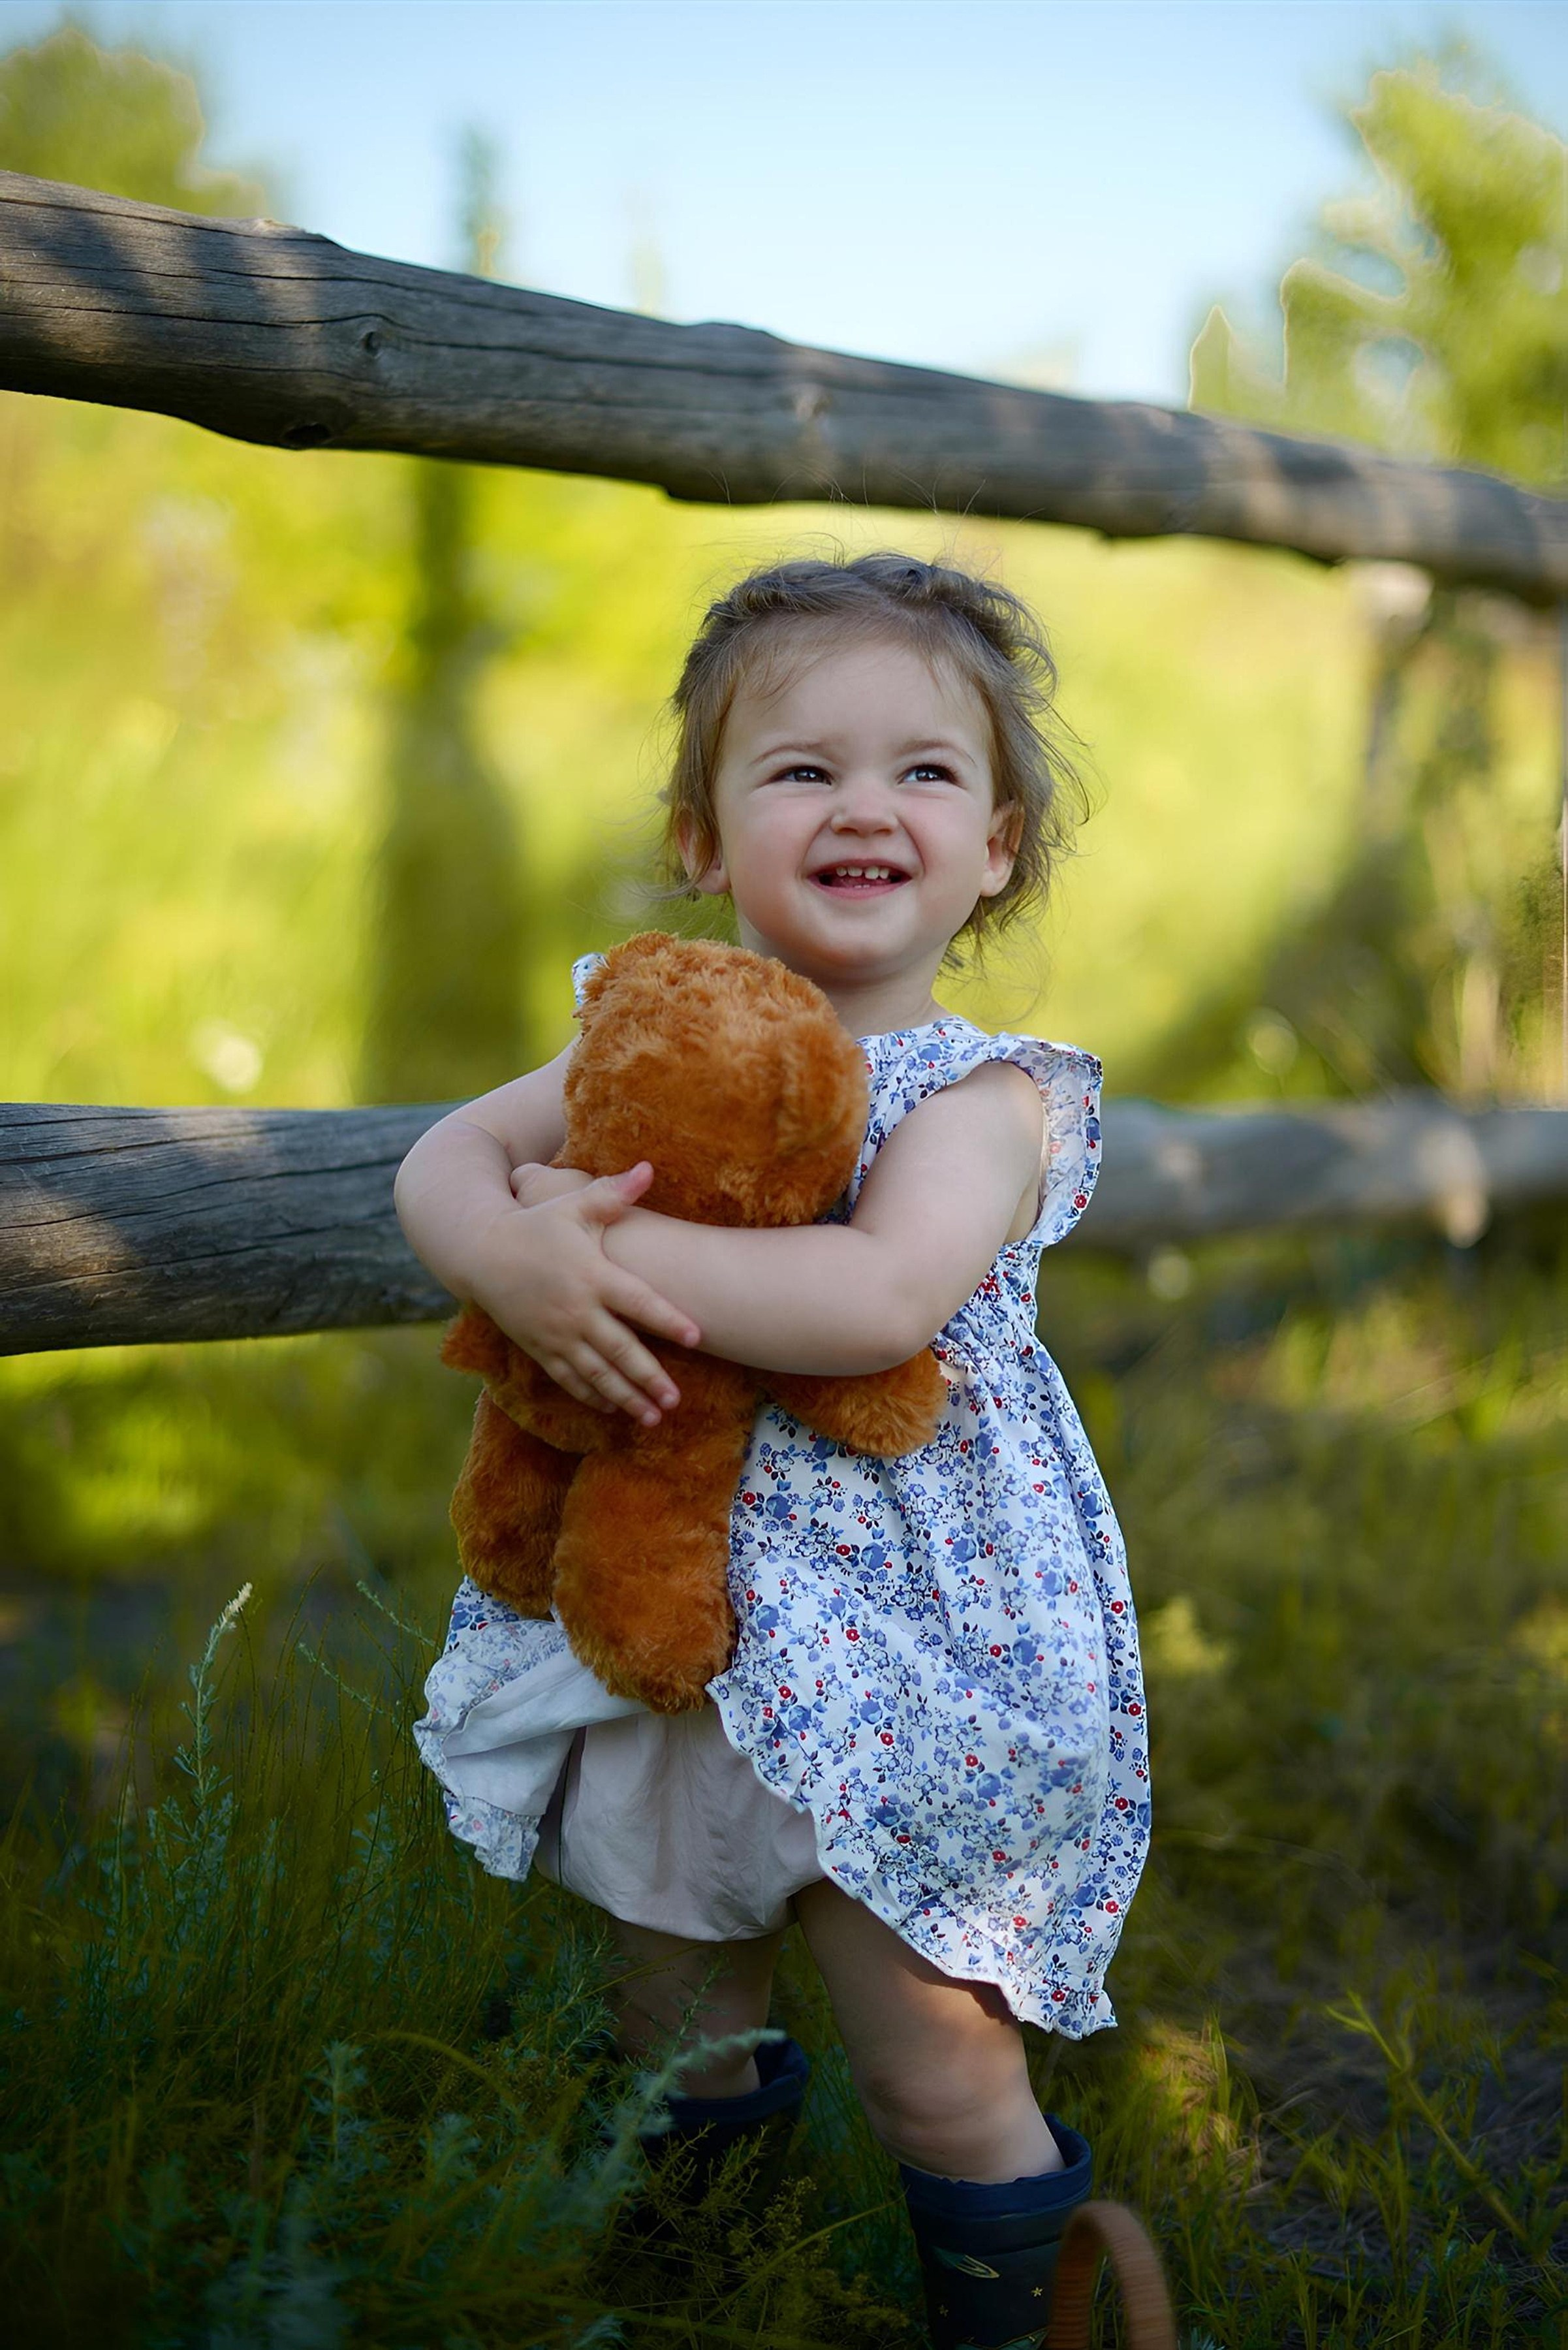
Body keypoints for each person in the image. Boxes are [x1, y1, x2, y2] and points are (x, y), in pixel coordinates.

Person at [394, 552, 1150, 2349]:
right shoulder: (628, 1033)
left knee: (929, 2056)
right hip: (678, 1627)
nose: (861, 805)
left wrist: (593, 1244)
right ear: (701, 832)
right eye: (799, 770)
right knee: (677, 2008)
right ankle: (701, 2296)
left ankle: (1010, 2297)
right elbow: (442, 1156)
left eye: (923, 772)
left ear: (998, 849)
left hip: (913, 1652)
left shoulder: (993, 1098)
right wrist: (498, 1241)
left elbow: (873, 1296)